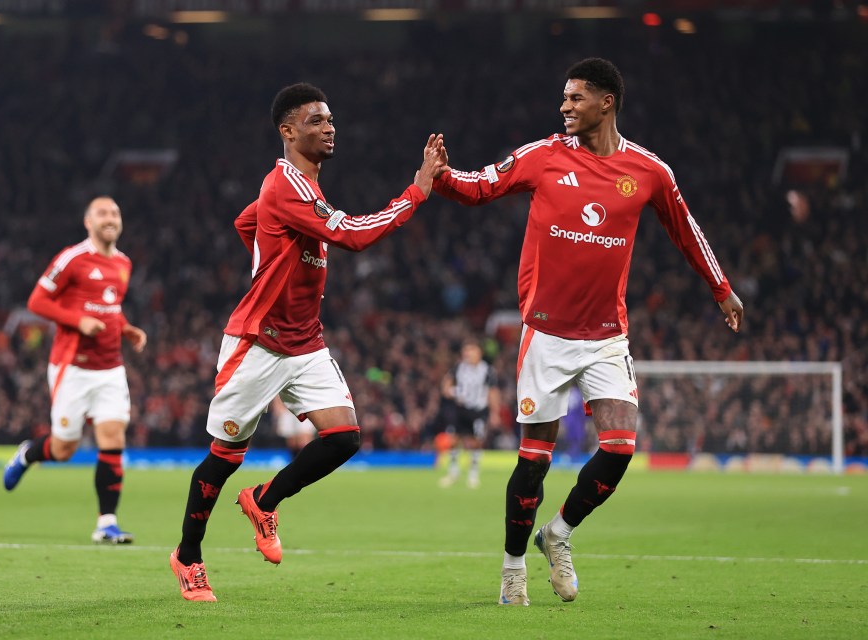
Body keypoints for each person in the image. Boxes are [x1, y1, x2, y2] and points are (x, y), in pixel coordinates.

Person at [432, 58, 744, 606]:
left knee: (621, 447)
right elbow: (481, 186)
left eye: (575, 97)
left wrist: (720, 287)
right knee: (533, 463)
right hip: (546, 335)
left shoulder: (649, 171)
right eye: (564, 97)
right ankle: (512, 566)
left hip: (606, 336)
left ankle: (558, 533)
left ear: (607, 101)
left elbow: (686, 229)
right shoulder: (543, 156)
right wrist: (442, 176)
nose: (564, 106)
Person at [169, 82, 448, 602]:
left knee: (344, 437)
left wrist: (270, 259)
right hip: (258, 341)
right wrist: (417, 191)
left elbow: (245, 222)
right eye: (317, 120)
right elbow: (356, 234)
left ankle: (265, 500)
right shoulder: (288, 185)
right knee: (225, 455)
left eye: (331, 119)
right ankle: (187, 557)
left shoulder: (302, 189)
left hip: (304, 342)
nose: (329, 127)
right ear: (288, 130)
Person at [2, 196, 148, 544]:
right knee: (64, 449)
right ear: (88, 222)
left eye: (115, 212)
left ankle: (106, 523)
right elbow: (37, 301)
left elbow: (111, 305)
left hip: (111, 368)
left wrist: (126, 328)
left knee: (112, 438)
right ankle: (28, 453)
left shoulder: (124, 264)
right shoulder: (72, 258)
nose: (109, 218)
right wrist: (77, 321)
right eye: (102, 213)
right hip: (73, 368)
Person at [438, 338, 501, 488]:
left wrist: (495, 412)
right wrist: (452, 391)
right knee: (453, 440)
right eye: (466, 350)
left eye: (471, 350)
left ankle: (473, 474)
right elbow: (446, 385)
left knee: (476, 442)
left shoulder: (487, 370)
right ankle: (454, 471)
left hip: (478, 410)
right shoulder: (459, 367)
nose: (468, 353)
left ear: (479, 352)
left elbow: (492, 392)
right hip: (460, 409)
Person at [271, 395, 314, 459]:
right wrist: (277, 405)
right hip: (286, 407)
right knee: (291, 438)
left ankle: (308, 460)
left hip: (304, 405)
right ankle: (295, 462)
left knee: (305, 436)